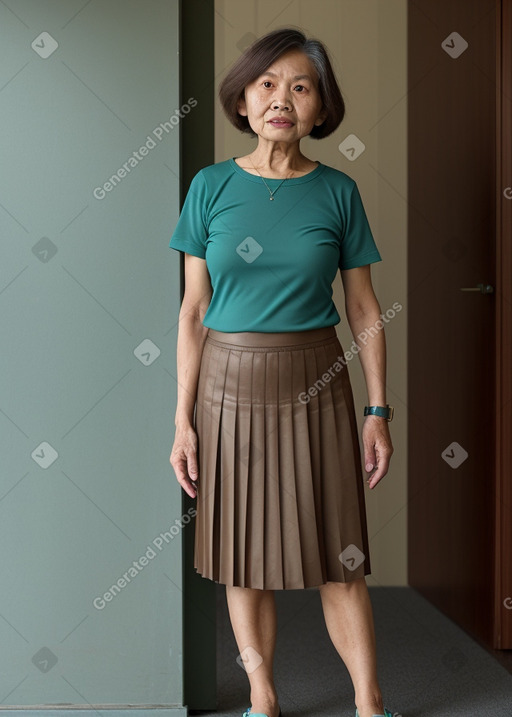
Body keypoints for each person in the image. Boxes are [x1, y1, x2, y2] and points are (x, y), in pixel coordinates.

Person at [169, 26, 395, 717]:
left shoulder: (338, 191)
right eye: (268, 84)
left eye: (301, 87)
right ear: (242, 100)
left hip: (318, 379)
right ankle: (262, 697)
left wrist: (378, 409)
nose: (282, 98)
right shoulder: (209, 187)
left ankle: (368, 700)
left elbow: (362, 306)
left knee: (341, 556)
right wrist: (181, 417)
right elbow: (193, 311)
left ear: (320, 110)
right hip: (226, 384)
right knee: (241, 557)